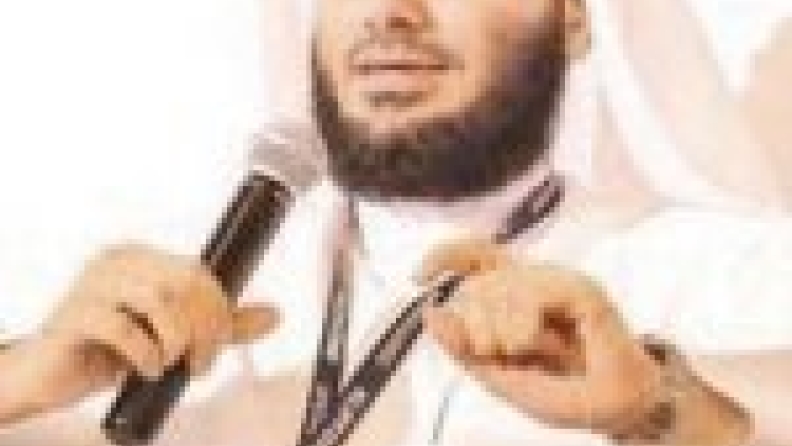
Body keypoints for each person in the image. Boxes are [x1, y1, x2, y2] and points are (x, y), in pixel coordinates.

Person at [2, 0, 792, 445]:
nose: (390, 11)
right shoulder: (169, 294)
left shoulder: (735, 278)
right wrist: (17, 386)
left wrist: (659, 411)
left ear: (577, 17)